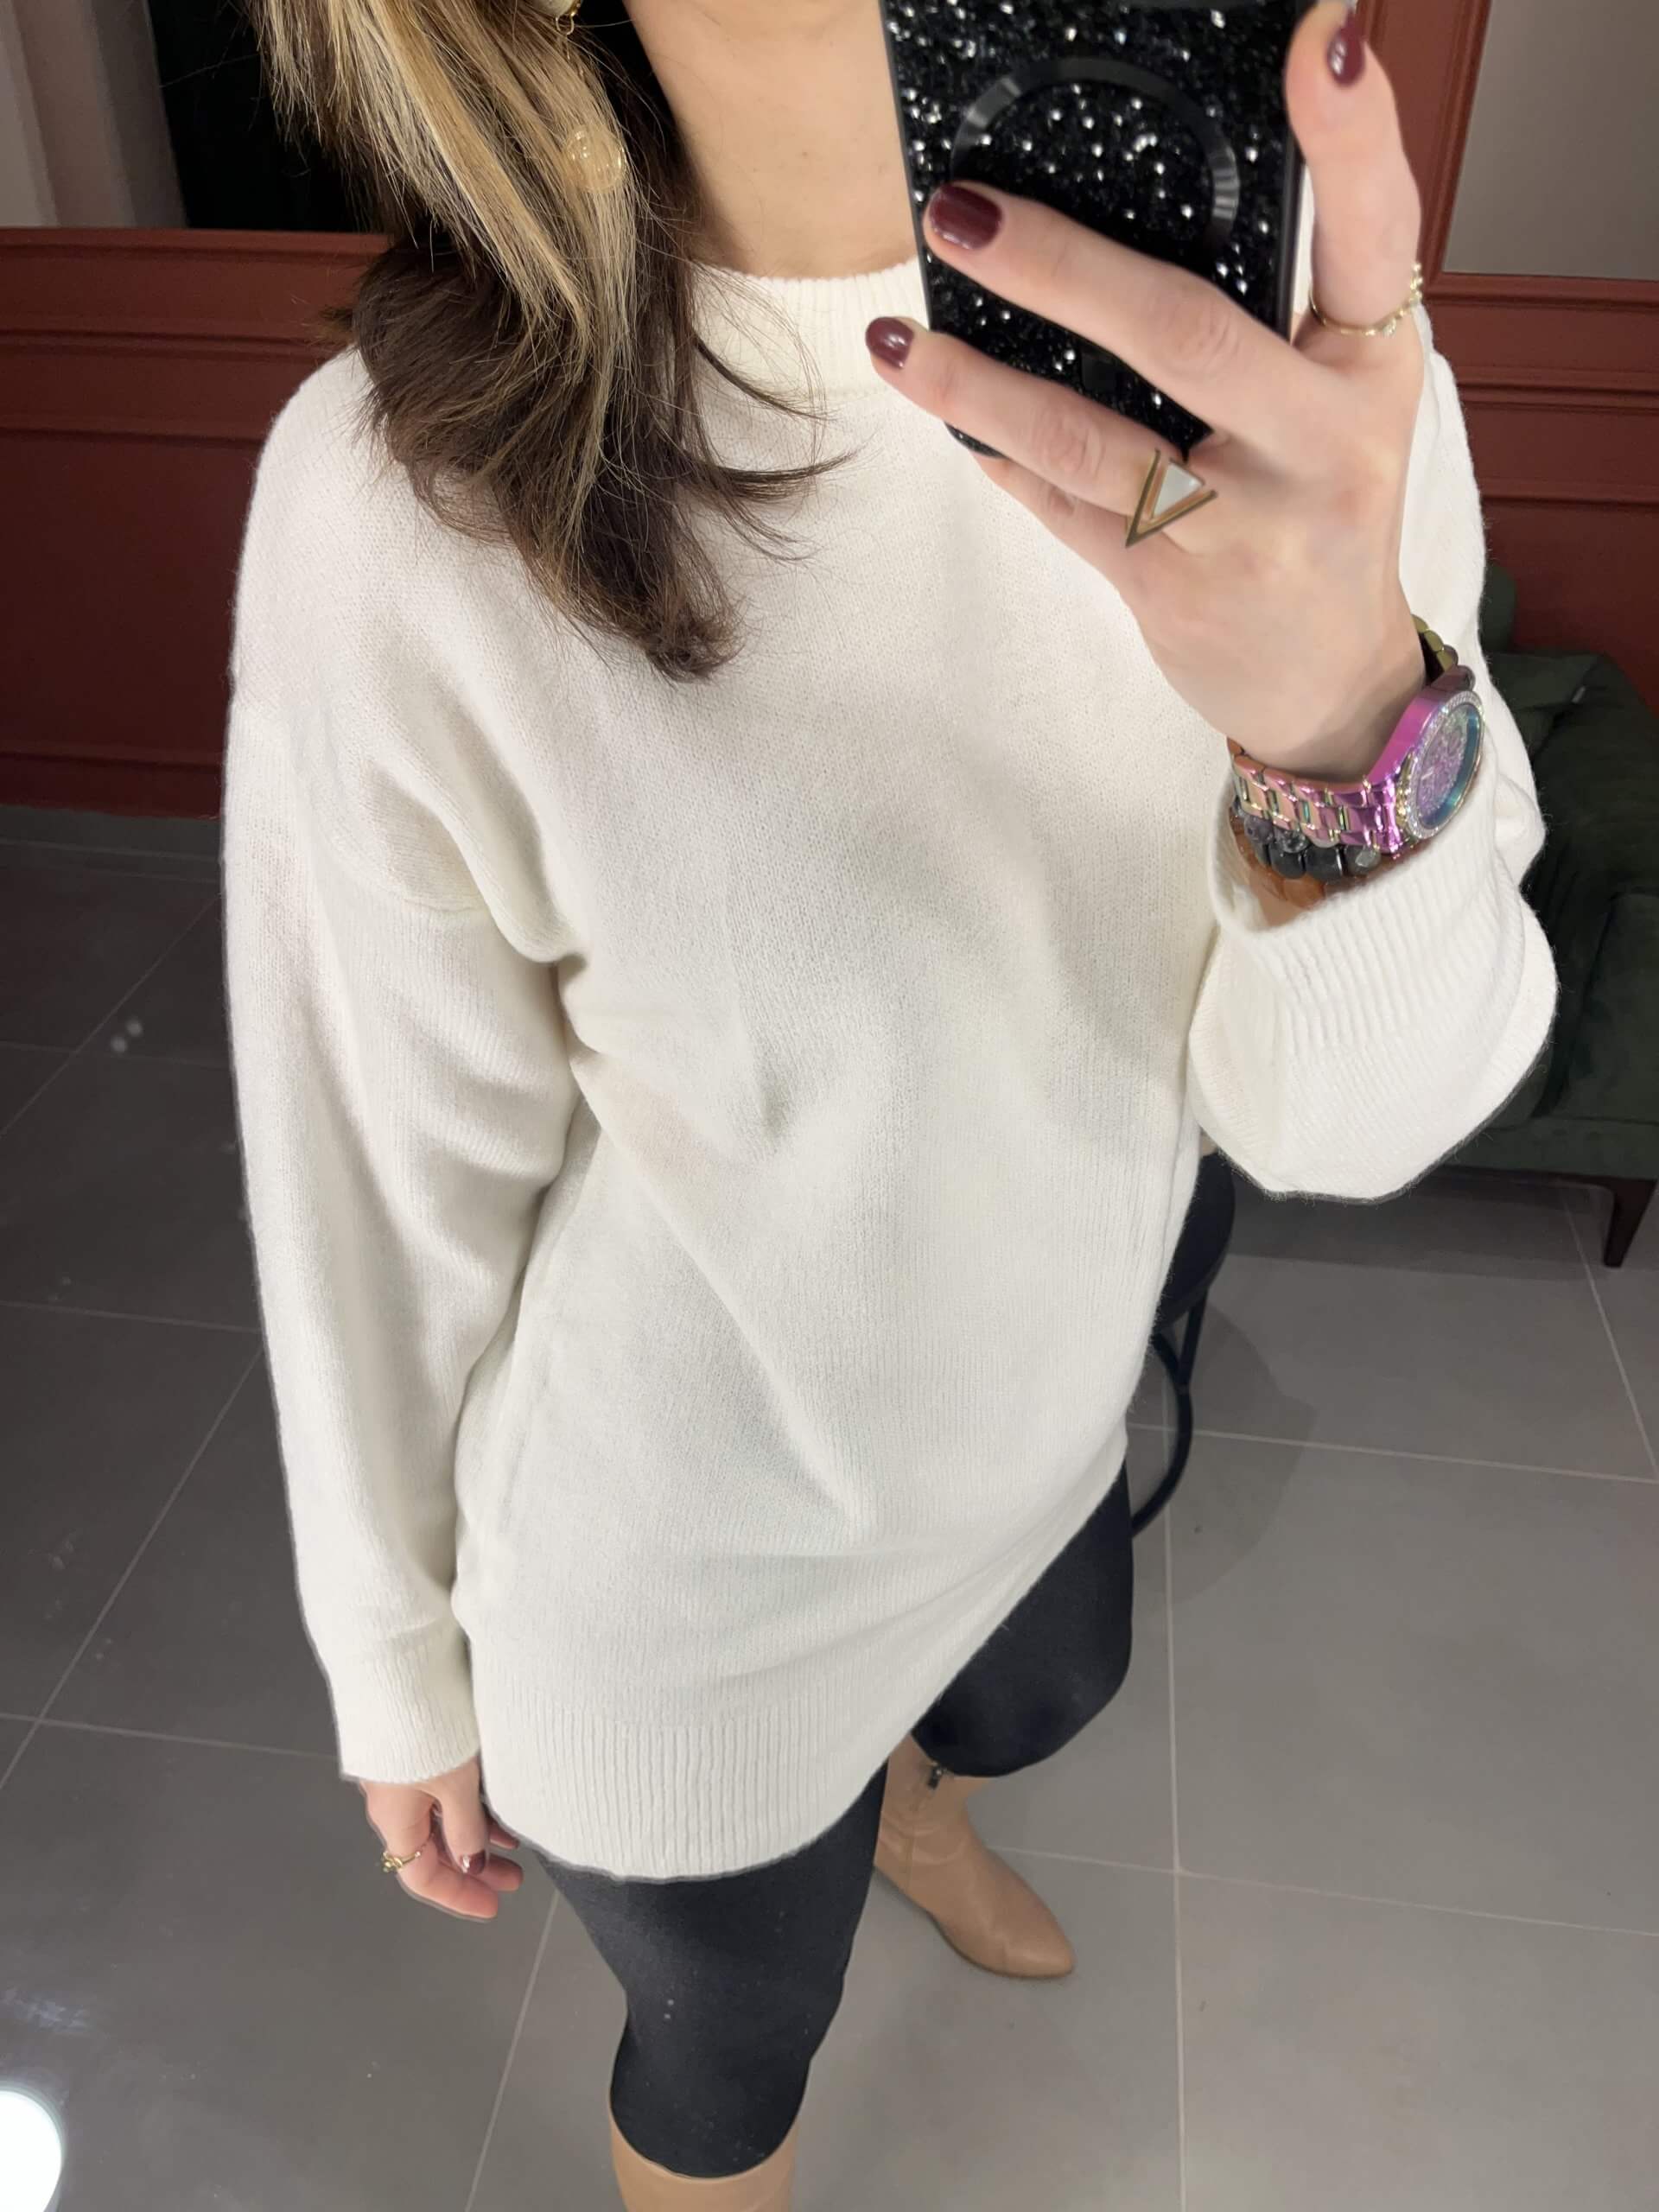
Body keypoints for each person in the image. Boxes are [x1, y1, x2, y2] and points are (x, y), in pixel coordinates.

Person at [223, 2, 1557, 2204]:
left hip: (1038, 1438)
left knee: (1034, 1702)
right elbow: (376, 1177)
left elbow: (1336, 1118)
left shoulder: (1297, 358)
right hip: (679, 1595)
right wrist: (394, 1656)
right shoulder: (407, 492)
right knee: (729, 2057)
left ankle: (913, 1808)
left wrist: (1341, 720)